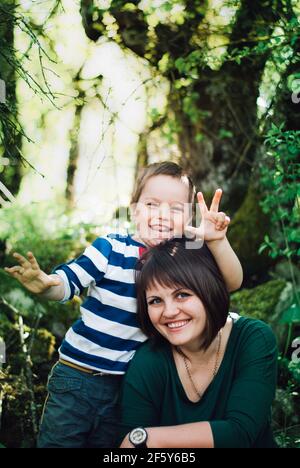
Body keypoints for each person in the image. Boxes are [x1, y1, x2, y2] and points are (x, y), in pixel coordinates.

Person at [4, 162, 243, 448]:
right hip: (78, 376)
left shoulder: (187, 254)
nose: (163, 215)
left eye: (176, 209)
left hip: (128, 387)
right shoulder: (112, 247)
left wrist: (217, 241)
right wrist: (47, 285)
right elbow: (70, 281)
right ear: (134, 210)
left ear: (189, 217)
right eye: (152, 204)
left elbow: (230, 281)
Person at [118, 237, 278, 448]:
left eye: (182, 295)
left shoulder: (253, 339)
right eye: (155, 301)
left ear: (209, 290)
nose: (170, 312)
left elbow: (240, 433)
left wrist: (149, 438)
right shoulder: (148, 362)